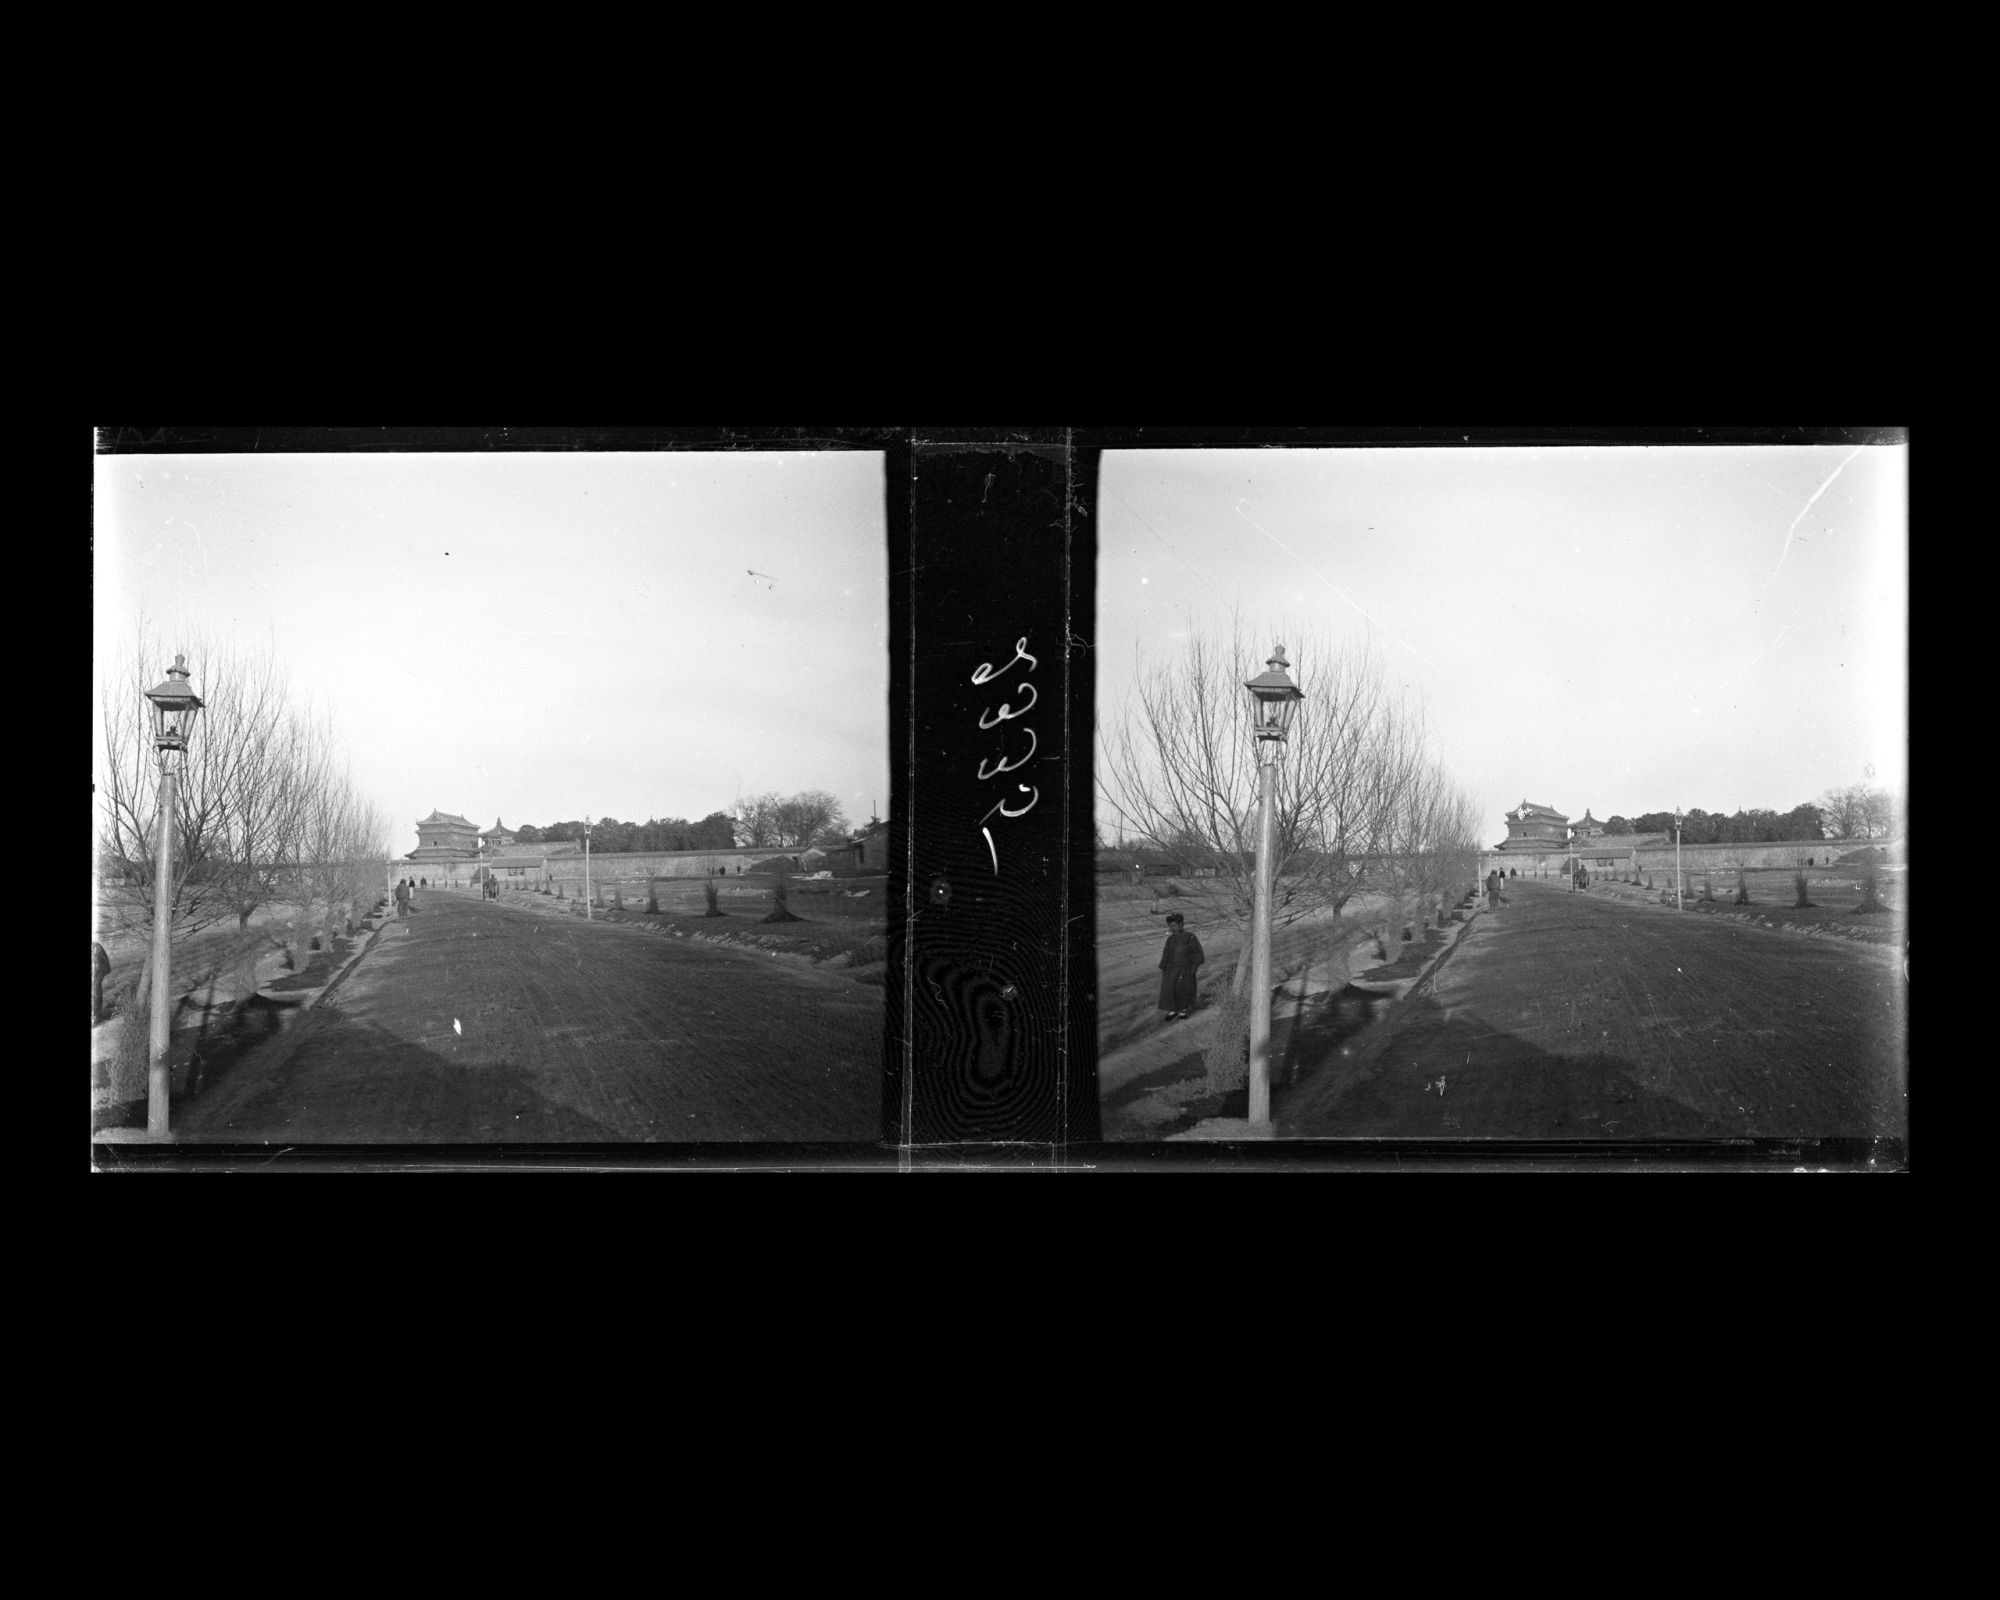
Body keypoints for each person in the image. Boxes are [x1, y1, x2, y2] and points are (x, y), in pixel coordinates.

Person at [1157, 912, 1204, 1022]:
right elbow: (1166, 953)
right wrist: (1163, 965)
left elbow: (1198, 954)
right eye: (1170, 926)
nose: (1173, 928)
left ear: (1181, 924)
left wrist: (1193, 969)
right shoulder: (1170, 939)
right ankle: (1172, 1010)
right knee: (1170, 990)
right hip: (1171, 969)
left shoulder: (1190, 937)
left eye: (1175, 925)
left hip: (1185, 969)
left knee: (1183, 991)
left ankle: (1183, 1011)